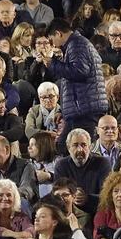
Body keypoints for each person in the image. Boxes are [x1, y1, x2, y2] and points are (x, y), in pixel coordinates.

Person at [37, 19, 108, 150]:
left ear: (58, 34)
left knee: (79, 150)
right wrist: (64, 111)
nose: (53, 45)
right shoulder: (76, 44)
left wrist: (52, 64)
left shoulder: (77, 44)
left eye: (52, 40)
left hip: (85, 110)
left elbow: (80, 71)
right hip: (81, 108)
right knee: (64, 147)